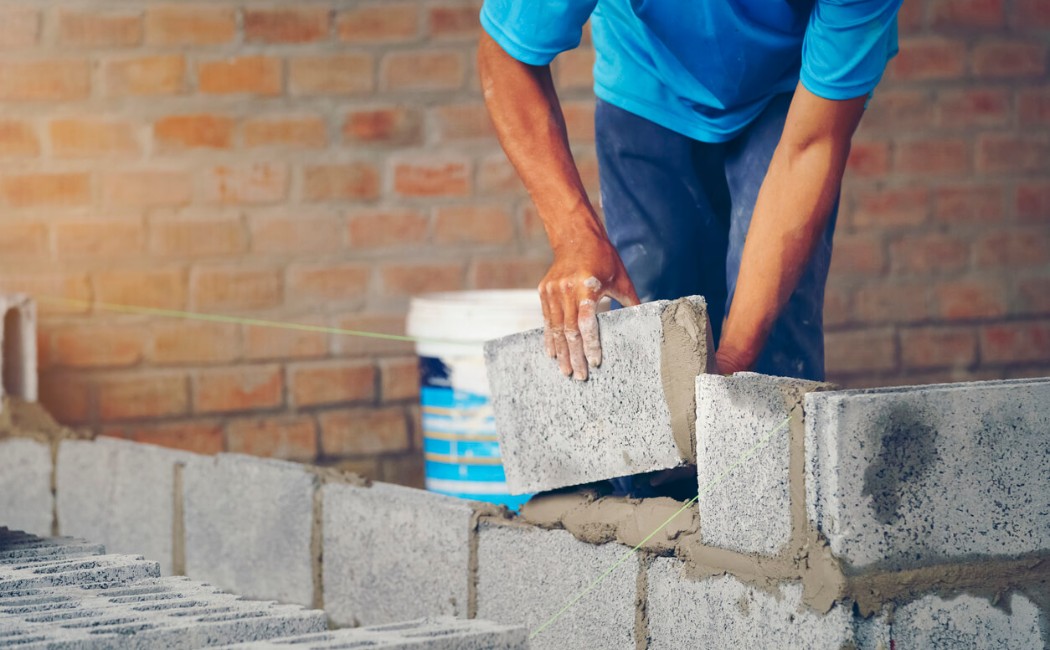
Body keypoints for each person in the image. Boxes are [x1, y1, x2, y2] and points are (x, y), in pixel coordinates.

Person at [477, 0, 902, 383]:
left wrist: (733, 361)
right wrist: (574, 236)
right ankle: (649, 471)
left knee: (772, 349)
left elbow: (812, 145)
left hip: (793, 91)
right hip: (645, 73)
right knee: (650, 334)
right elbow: (507, 54)